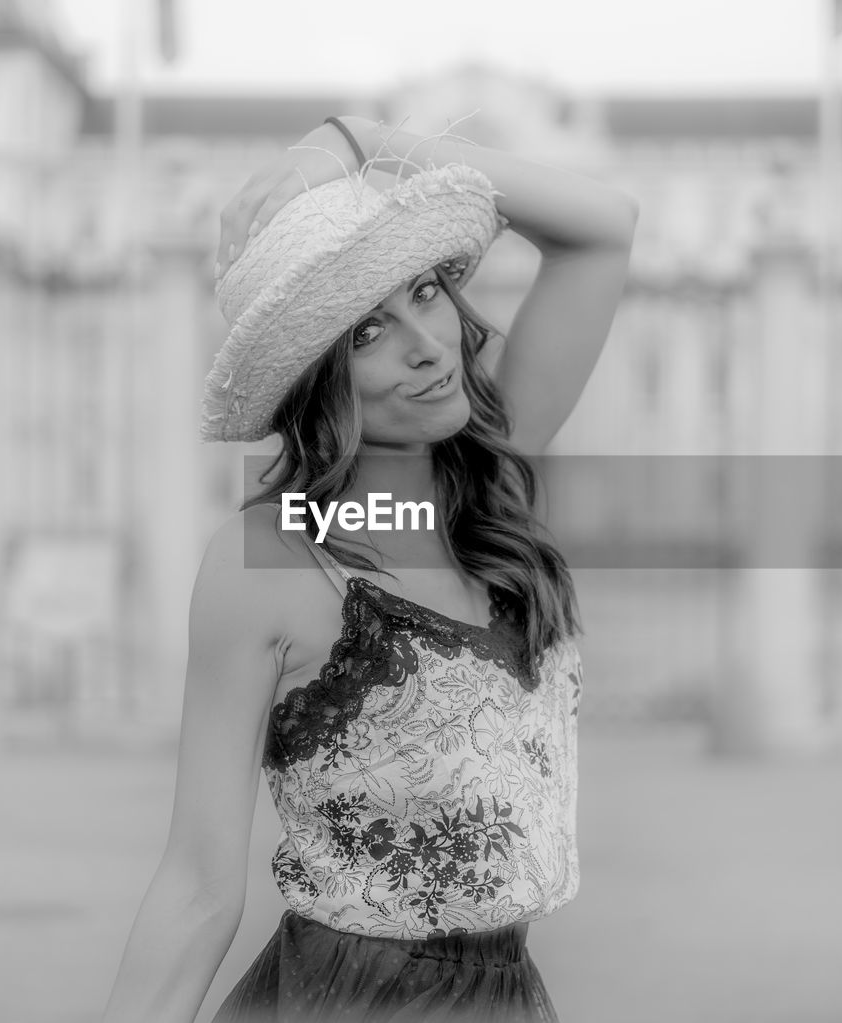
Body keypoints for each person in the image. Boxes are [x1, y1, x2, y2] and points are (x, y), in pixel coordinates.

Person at [101, 113, 637, 1022]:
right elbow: (198, 882)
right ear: (316, 382)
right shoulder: (275, 558)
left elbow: (603, 226)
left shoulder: (486, 477)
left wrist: (358, 141)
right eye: (363, 333)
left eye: (424, 292)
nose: (425, 345)